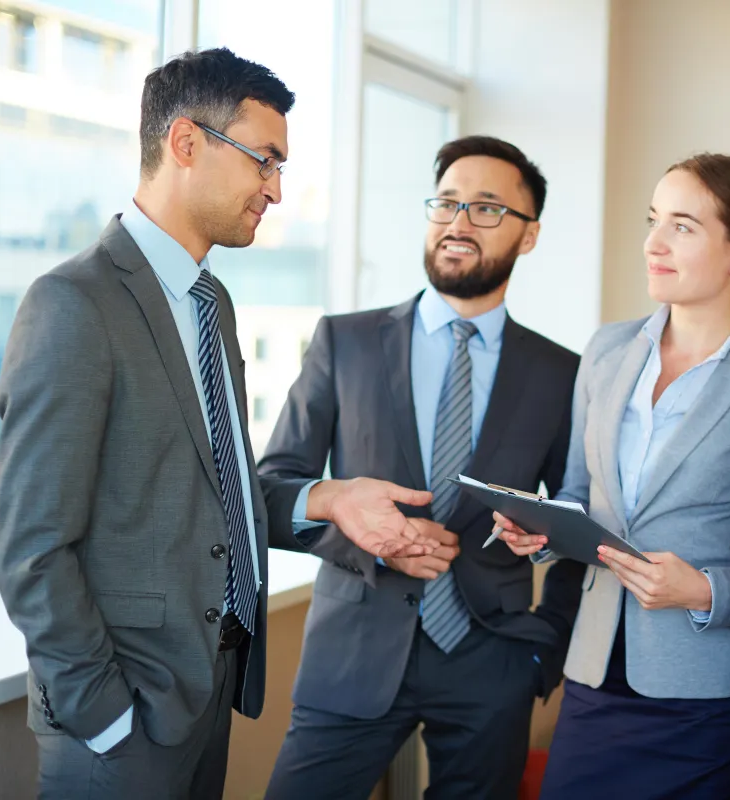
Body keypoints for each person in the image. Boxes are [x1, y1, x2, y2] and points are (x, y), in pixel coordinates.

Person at [0, 48, 435, 800]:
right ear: (187, 144)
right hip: (120, 725)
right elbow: (33, 551)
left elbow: (215, 496)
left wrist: (327, 499)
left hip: (207, 697)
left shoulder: (209, 304)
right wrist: (108, 721)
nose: (277, 190)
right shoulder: (74, 303)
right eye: (266, 161)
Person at [259, 136, 585, 800]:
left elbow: (574, 520)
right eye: (447, 203)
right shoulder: (344, 342)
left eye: (487, 208)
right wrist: (368, 540)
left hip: (493, 664)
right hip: (351, 652)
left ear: (529, 237)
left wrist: (543, 648)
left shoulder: (561, 373)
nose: (459, 222)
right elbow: (271, 492)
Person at [494, 154, 730, 798]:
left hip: (705, 695)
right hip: (594, 676)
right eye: (653, 221)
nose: (653, 243)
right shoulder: (607, 351)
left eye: (682, 226)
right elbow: (575, 495)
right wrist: (540, 529)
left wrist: (706, 591)